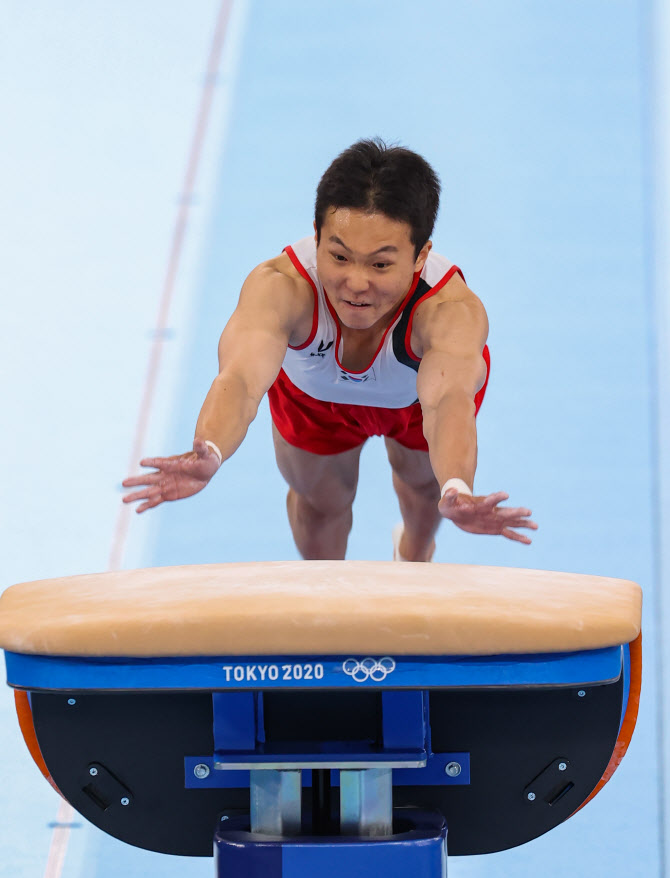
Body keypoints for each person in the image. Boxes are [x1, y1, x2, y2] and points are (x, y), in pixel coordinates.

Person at [122, 139, 537, 560]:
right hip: (313, 401)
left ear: (419, 256)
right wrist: (210, 448)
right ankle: (331, 607)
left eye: (379, 265)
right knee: (321, 509)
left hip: (418, 403)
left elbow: (448, 403)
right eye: (339, 257)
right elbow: (242, 380)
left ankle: (414, 554)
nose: (355, 283)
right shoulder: (281, 288)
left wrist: (458, 488)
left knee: (426, 489)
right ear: (317, 235)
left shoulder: (450, 311)